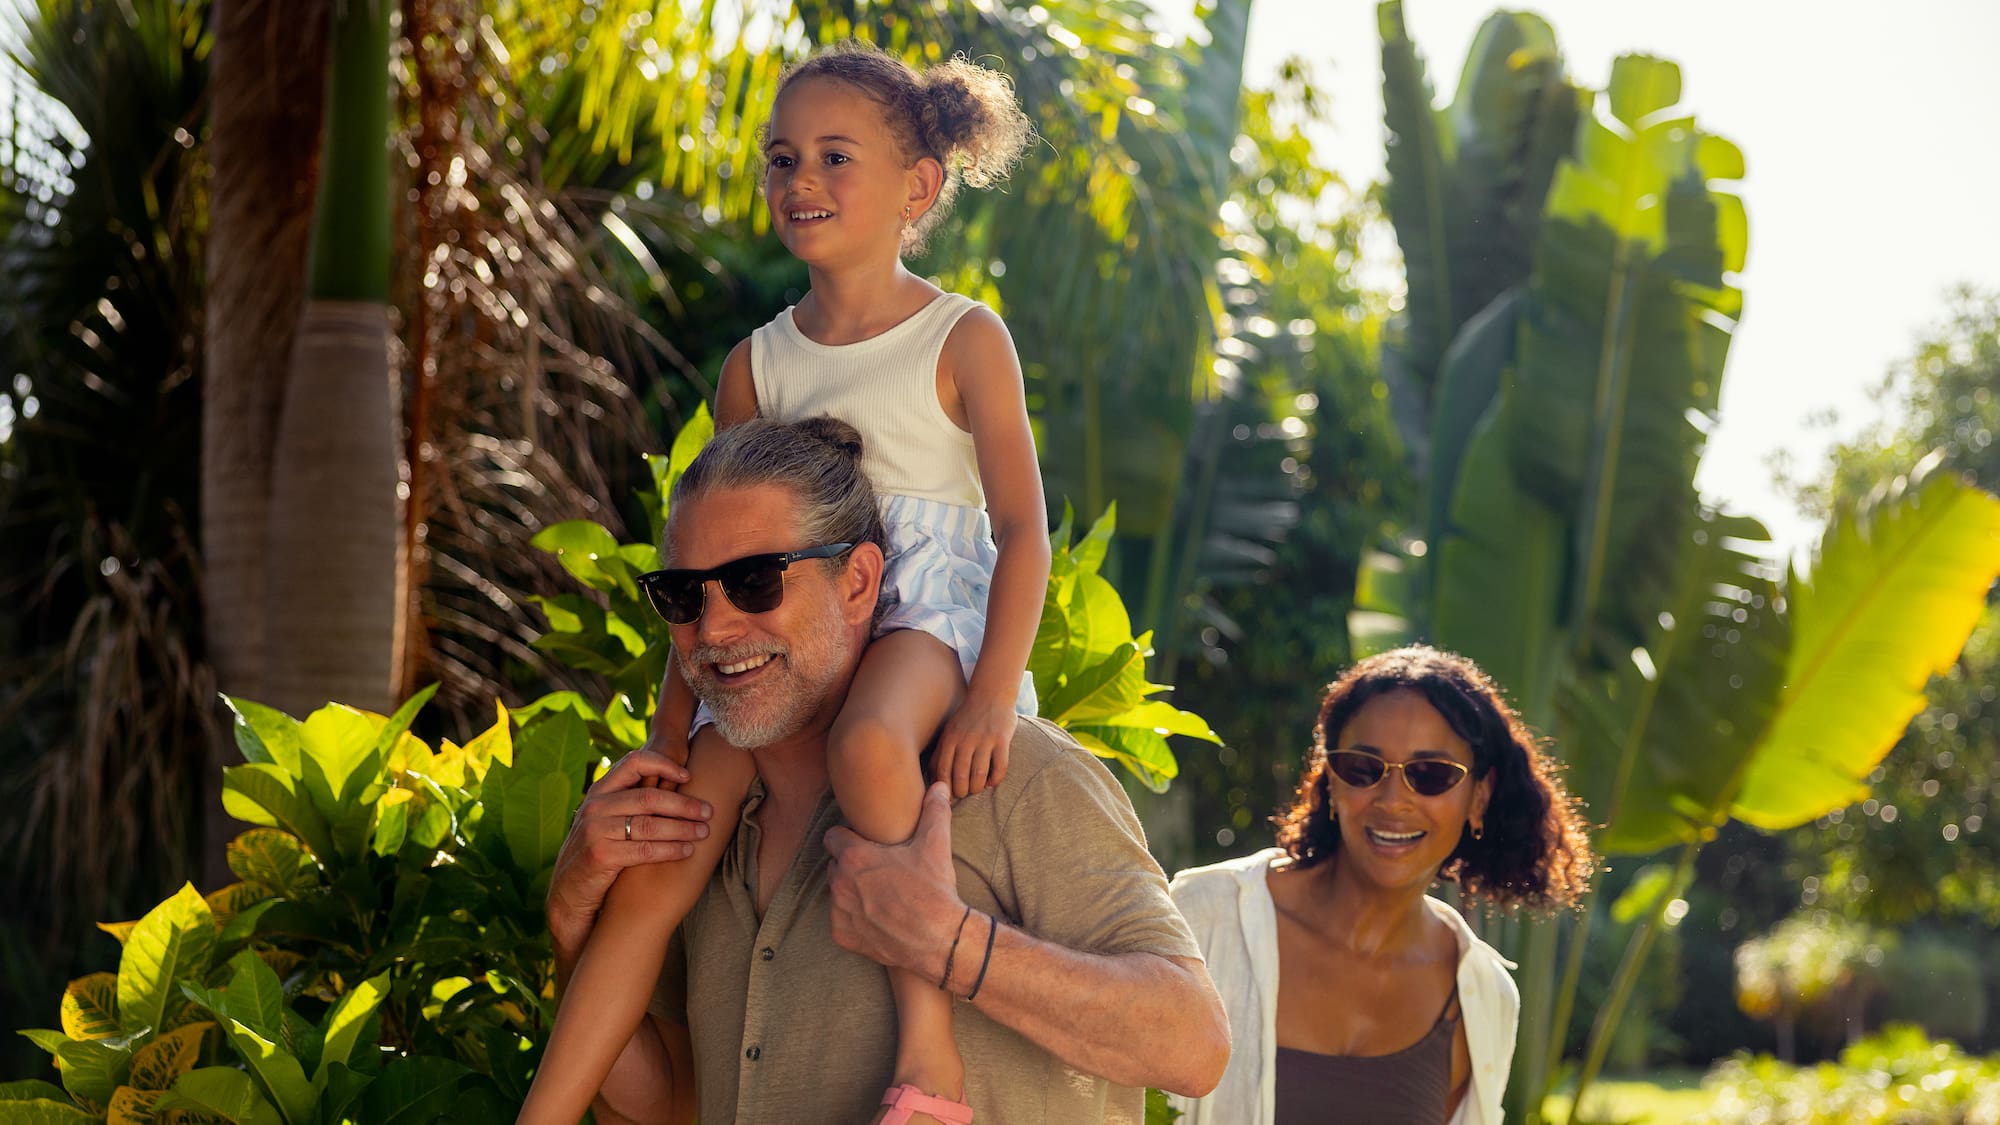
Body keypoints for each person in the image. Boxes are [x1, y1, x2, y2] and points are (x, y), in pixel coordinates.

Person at [522, 40, 1052, 1125]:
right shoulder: (755, 366)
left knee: (865, 745)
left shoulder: (963, 338)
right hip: (785, 625)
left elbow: (1022, 530)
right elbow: (713, 567)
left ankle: (926, 1043)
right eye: (780, 158)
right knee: (660, 864)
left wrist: (993, 689)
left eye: (832, 157)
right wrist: (672, 737)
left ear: (918, 187)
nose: (799, 180)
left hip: (919, 613)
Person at [533, 416, 1230, 1125]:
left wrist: (949, 942)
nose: (712, 630)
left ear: (860, 581)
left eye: (755, 581)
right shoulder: (691, 831)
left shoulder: (1017, 776)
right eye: (684, 594)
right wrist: (571, 926)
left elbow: (1194, 1042)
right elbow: (670, 1103)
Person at [1168, 646, 1595, 1125]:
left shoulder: (1480, 996)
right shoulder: (1203, 919)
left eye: (1431, 775)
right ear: (1330, 780)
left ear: (1480, 796)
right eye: (1363, 768)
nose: (1393, 800)